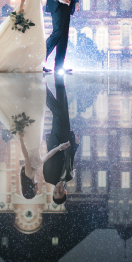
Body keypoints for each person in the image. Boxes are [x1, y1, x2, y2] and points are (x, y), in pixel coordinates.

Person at [42, 74, 78, 205]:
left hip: (56, 138)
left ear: (52, 192)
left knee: (57, 112)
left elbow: (47, 157)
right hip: (67, 137)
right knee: (63, 102)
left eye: (55, 193)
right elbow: (71, 157)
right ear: (65, 192)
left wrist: (58, 147)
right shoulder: (69, 176)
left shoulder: (49, 177)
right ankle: (58, 74)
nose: (57, 191)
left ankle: (41, 85)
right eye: (60, 193)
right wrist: (76, 144)